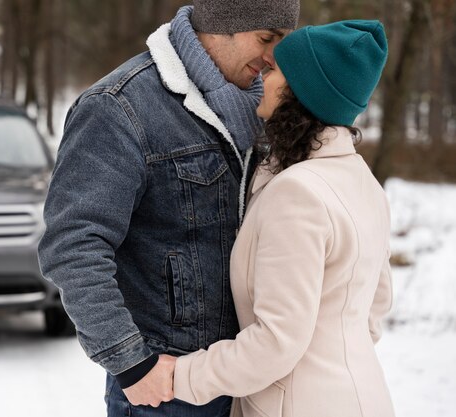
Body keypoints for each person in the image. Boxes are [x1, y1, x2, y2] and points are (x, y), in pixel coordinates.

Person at [37, 0, 299, 415]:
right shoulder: (120, 107)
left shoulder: (265, 114)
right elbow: (74, 245)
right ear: (220, 26)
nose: (273, 57)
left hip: (249, 380)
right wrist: (130, 363)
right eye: (266, 38)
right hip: (166, 387)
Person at [155, 20, 394, 417]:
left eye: (276, 70)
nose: (263, 76)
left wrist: (180, 376)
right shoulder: (363, 182)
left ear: (297, 91)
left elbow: (275, 343)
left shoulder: (298, 194)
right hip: (363, 396)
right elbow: (374, 308)